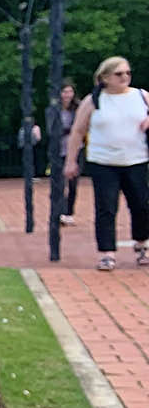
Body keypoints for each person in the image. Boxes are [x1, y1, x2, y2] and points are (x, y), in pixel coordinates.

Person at [66, 56, 149, 269]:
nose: (125, 77)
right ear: (105, 77)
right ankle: (107, 253)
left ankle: (142, 245)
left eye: (128, 73)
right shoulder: (93, 101)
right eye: (119, 74)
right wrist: (71, 161)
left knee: (141, 206)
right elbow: (77, 131)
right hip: (104, 162)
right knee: (106, 208)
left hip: (136, 160)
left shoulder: (141, 96)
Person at [49, 81, 79, 224]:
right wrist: (70, 130)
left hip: (75, 150)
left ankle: (69, 212)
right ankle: (59, 211)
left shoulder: (78, 108)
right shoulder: (53, 110)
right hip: (59, 151)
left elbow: (82, 127)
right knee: (59, 183)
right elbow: (52, 130)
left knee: (73, 183)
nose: (67, 95)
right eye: (64, 92)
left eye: (70, 92)